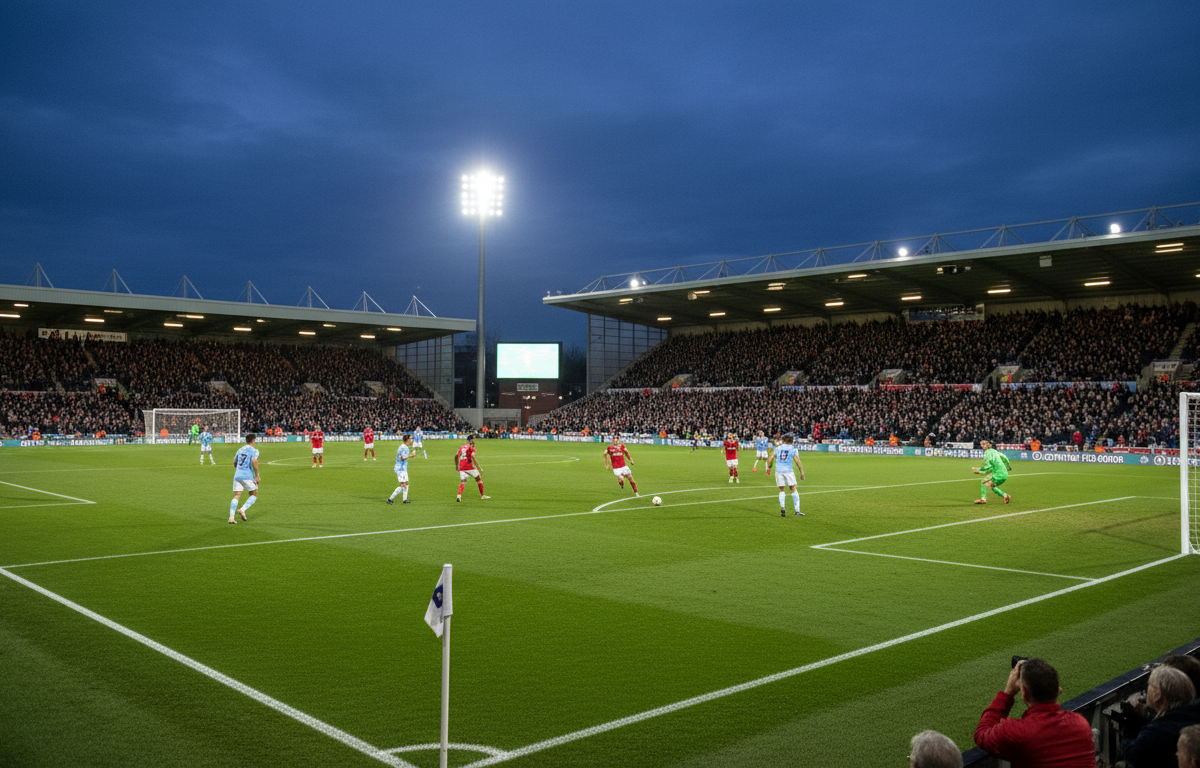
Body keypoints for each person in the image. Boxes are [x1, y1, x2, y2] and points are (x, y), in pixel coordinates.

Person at [973, 658, 1095, 767]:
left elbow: (981, 733)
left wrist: (1008, 693)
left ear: (1024, 692)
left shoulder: (1018, 733)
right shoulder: (1080, 724)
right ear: (1057, 690)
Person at [1119, 666, 1198, 767]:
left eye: (1149, 685)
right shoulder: (1192, 713)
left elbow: (1132, 754)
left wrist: (1131, 725)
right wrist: (1144, 720)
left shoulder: (1156, 732)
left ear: (1157, 695)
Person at [766, 433, 805, 517]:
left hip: (779, 471)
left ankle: (783, 507)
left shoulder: (778, 448)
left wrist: (769, 467)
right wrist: (801, 472)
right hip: (788, 471)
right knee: (793, 488)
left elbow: (770, 458)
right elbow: (797, 461)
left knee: (781, 490)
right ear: (791, 441)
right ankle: (797, 511)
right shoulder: (793, 449)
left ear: (783, 441)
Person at [228, 433, 260, 524]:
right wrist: (257, 475)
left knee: (237, 495)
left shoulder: (240, 450)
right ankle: (242, 509)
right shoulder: (254, 450)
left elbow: (235, 463)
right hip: (247, 476)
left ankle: (231, 518)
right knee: (254, 493)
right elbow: (254, 460)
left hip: (237, 475)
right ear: (253, 441)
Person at [972, 439, 1011, 505]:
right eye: (982, 444)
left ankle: (983, 499)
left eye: (983, 444)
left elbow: (987, 467)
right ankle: (1005, 495)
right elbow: (1005, 458)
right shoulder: (995, 451)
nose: (982, 446)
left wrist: (978, 470)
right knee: (992, 486)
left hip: (997, 474)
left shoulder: (987, 453)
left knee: (983, 481)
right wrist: (1008, 466)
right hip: (1004, 474)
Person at [455, 434, 489, 501]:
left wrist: (457, 466)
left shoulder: (462, 447)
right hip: (469, 466)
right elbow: (473, 456)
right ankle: (483, 495)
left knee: (463, 481)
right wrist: (479, 468)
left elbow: (456, 456)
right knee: (478, 479)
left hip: (461, 466)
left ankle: (459, 496)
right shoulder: (472, 448)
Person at [387, 433, 414, 505]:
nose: (413, 440)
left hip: (403, 468)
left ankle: (405, 499)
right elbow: (402, 458)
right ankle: (390, 499)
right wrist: (411, 456)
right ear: (408, 440)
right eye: (412, 438)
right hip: (400, 469)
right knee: (403, 485)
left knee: (406, 483)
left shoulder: (405, 447)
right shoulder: (404, 447)